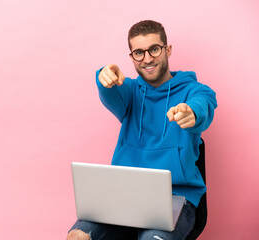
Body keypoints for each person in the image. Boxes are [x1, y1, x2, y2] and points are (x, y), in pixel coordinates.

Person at [67, 20, 217, 240]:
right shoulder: (130, 91)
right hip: (121, 195)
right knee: (78, 235)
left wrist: (192, 113)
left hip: (174, 197)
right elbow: (110, 90)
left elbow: (203, 103)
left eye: (154, 49)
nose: (147, 59)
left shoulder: (194, 90)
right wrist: (104, 75)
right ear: (131, 57)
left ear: (168, 50)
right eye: (139, 52)